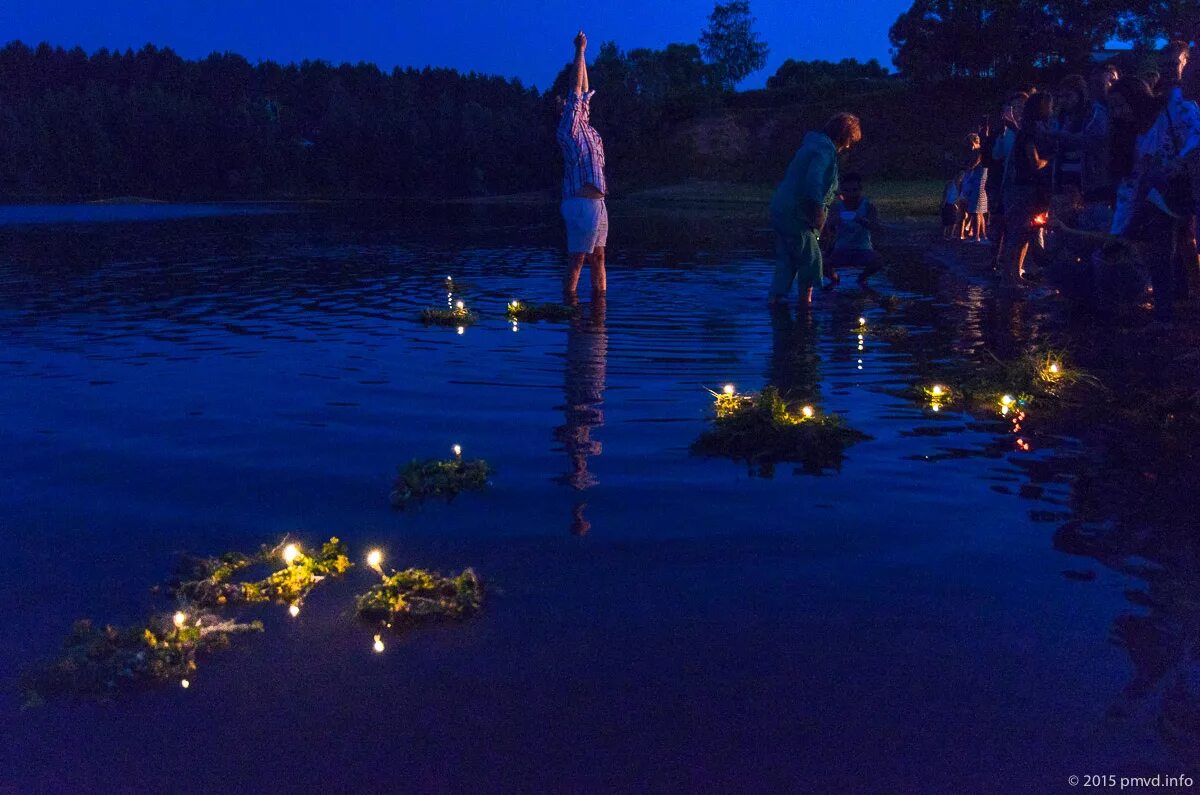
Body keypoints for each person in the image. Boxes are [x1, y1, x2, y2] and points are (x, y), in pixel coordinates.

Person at [768, 112, 862, 306]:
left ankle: (776, 300)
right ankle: (806, 308)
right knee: (810, 258)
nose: (848, 147)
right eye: (850, 141)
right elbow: (814, 181)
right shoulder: (823, 150)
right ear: (845, 136)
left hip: (782, 209)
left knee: (788, 257)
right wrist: (819, 211)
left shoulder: (812, 145)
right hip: (796, 213)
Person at [557, 30, 608, 301]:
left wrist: (585, 55)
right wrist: (579, 50)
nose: (575, 104)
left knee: (598, 256)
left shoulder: (587, 128)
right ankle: (571, 308)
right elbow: (577, 92)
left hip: (598, 205)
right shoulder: (568, 129)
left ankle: (600, 309)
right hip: (580, 204)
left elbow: (585, 92)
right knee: (578, 259)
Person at [1001, 92, 1054, 286]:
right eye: (1049, 107)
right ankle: (1009, 279)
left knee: (1023, 234)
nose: (1051, 111)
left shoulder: (1029, 130)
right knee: (1016, 234)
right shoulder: (1028, 132)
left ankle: (1016, 275)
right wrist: (1051, 159)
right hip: (1022, 189)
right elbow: (1035, 162)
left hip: (1025, 188)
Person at [823, 172, 884, 284]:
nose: (851, 194)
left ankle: (862, 279)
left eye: (854, 190)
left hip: (863, 249)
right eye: (847, 191)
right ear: (842, 191)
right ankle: (835, 279)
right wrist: (832, 223)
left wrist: (862, 221)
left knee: (878, 261)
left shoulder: (868, 206)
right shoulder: (836, 207)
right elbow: (827, 230)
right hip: (841, 249)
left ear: (860, 190)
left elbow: (877, 228)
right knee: (819, 263)